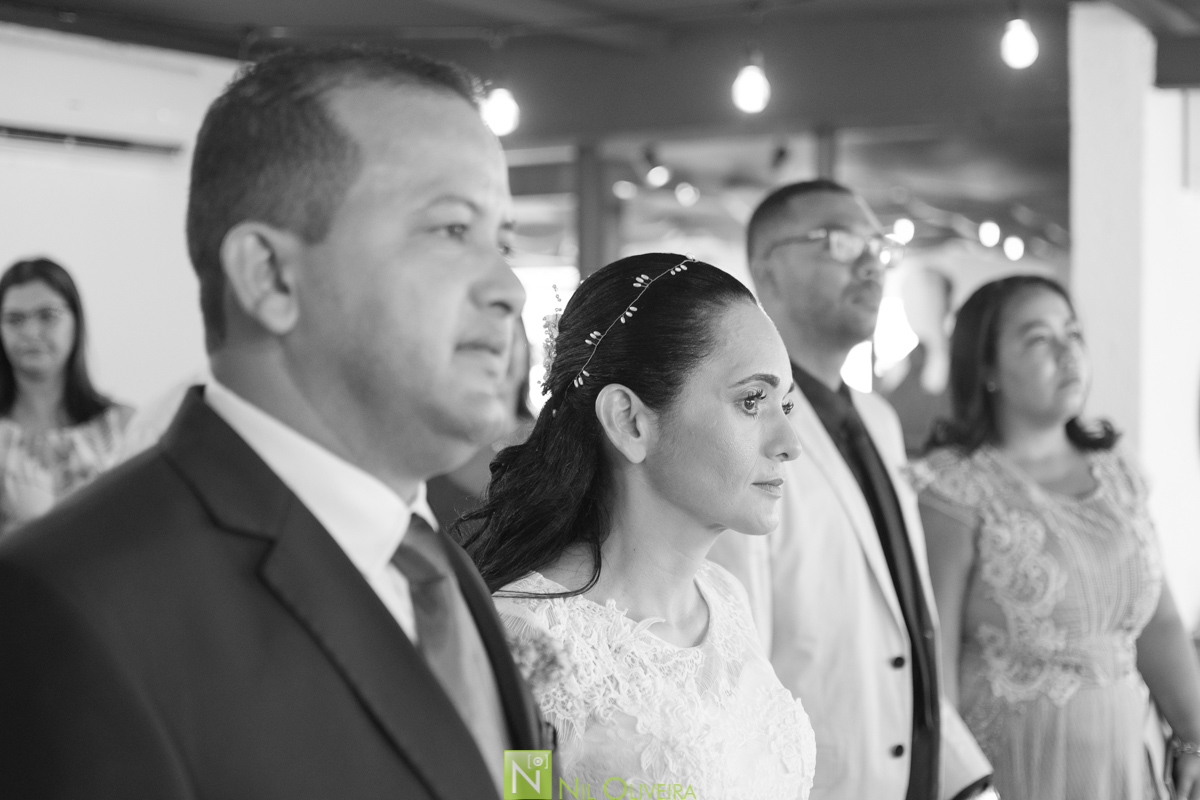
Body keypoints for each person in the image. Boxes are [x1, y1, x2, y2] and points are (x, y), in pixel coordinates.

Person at [0, 45, 552, 799]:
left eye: (505, 242)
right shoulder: (76, 607)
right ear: (269, 275)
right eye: (452, 229)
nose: (507, 288)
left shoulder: (443, 568)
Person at [465, 253, 817, 800]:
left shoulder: (723, 599)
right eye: (753, 401)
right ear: (629, 421)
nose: (790, 444)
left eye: (786, 404)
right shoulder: (526, 643)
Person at [710, 179, 992, 800]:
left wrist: (963, 776)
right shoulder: (738, 422)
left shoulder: (879, 419)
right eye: (838, 242)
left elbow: (905, 609)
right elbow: (737, 650)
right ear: (768, 272)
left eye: (877, 245)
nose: (870, 261)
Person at [911, 274, 1200, 800]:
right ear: (988, 367)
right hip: (1014, 767)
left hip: (1122, 762)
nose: (1068, 354)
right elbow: (936, 665)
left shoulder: (1117, 472)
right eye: (1039, 339)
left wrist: (1195, 736)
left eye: (1073, 333)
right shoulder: (954, 488)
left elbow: (1159, 622)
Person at [0, 257, 132, 535]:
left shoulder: (124, 427)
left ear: (76, 320)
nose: (31, 332)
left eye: (47, 315)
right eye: (14, 319)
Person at [427, 322, 534, 529]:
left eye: (510, 339)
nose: (497, 357)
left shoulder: (559, 438)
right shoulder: (426, 453)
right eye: (479, 346)